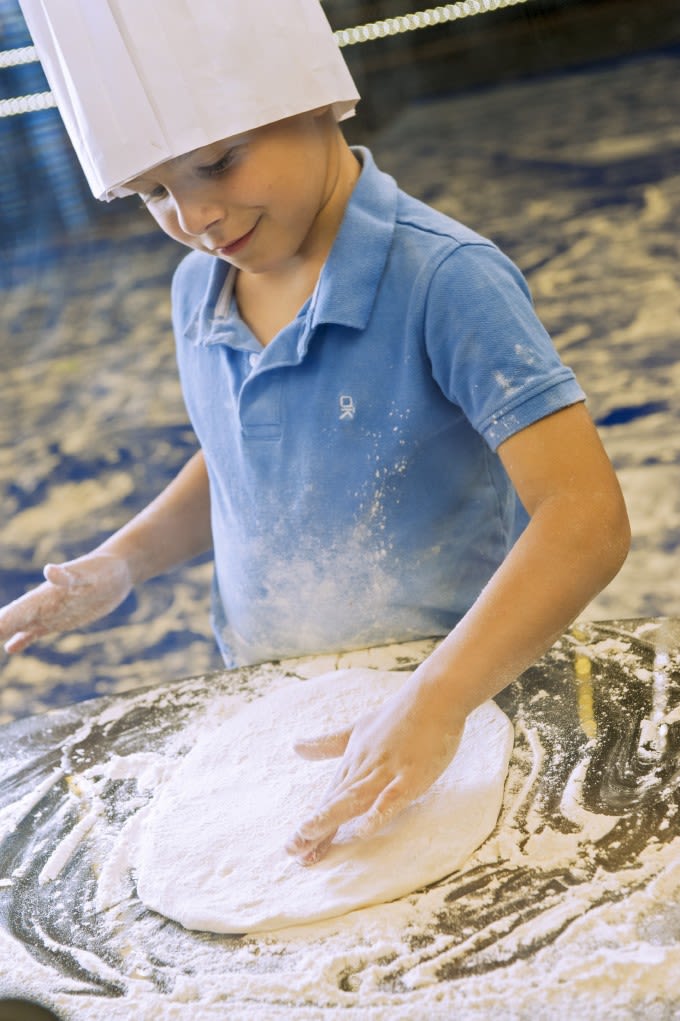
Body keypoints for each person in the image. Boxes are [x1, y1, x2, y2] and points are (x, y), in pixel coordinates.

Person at [2, 0, 630, 864]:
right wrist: (122, 561)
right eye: (153, 192)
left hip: (460, 699)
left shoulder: (445, 280)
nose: (196, 216)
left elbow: (584, 517)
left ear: (310, 99)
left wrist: (438, 700)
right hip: (280, 702)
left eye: (217, 162)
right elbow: (243, 460)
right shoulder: (198, 290)